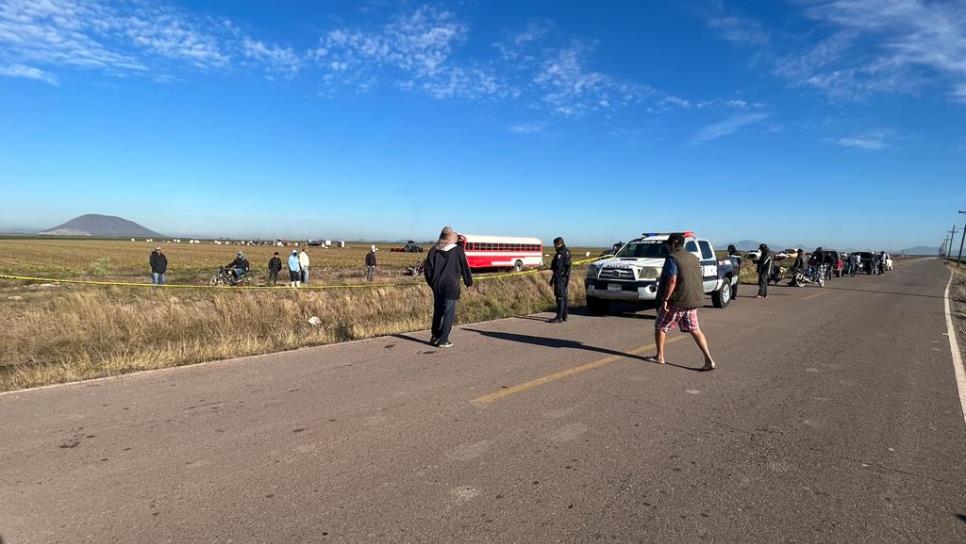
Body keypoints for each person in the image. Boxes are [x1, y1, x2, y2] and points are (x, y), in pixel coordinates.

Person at [646, 233, 715, 371]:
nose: (666, 247)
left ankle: (660, 356)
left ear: (673, 244)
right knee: (695, 330)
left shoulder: (673, 258)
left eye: (667, 244)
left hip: (678, 300)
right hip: (692, 300)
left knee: (660, 326)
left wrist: (665, 299)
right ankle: (709, 360)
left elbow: (672, 280)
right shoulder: (693, 257)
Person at [424, 226, 473, 348]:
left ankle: (435, 336)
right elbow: (464, 267)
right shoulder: (457, 250)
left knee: (438, 311)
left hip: (437, 286)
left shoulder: (433, 250)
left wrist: (432, 283)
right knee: (448, 313)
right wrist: (468, 282)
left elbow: (427, 270)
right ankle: (443, 340)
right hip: (451, 286)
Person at [548, 237, 572, 323]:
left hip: (560, 278)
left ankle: (559, 317)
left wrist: (553, 278)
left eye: (554, 245)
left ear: (558, 244)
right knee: (564, 297)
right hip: (565, 278)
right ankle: (565, 315)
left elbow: (558, 268)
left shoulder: (560, 254)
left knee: (560, 298)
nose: (554, 247)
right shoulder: (567, 252)